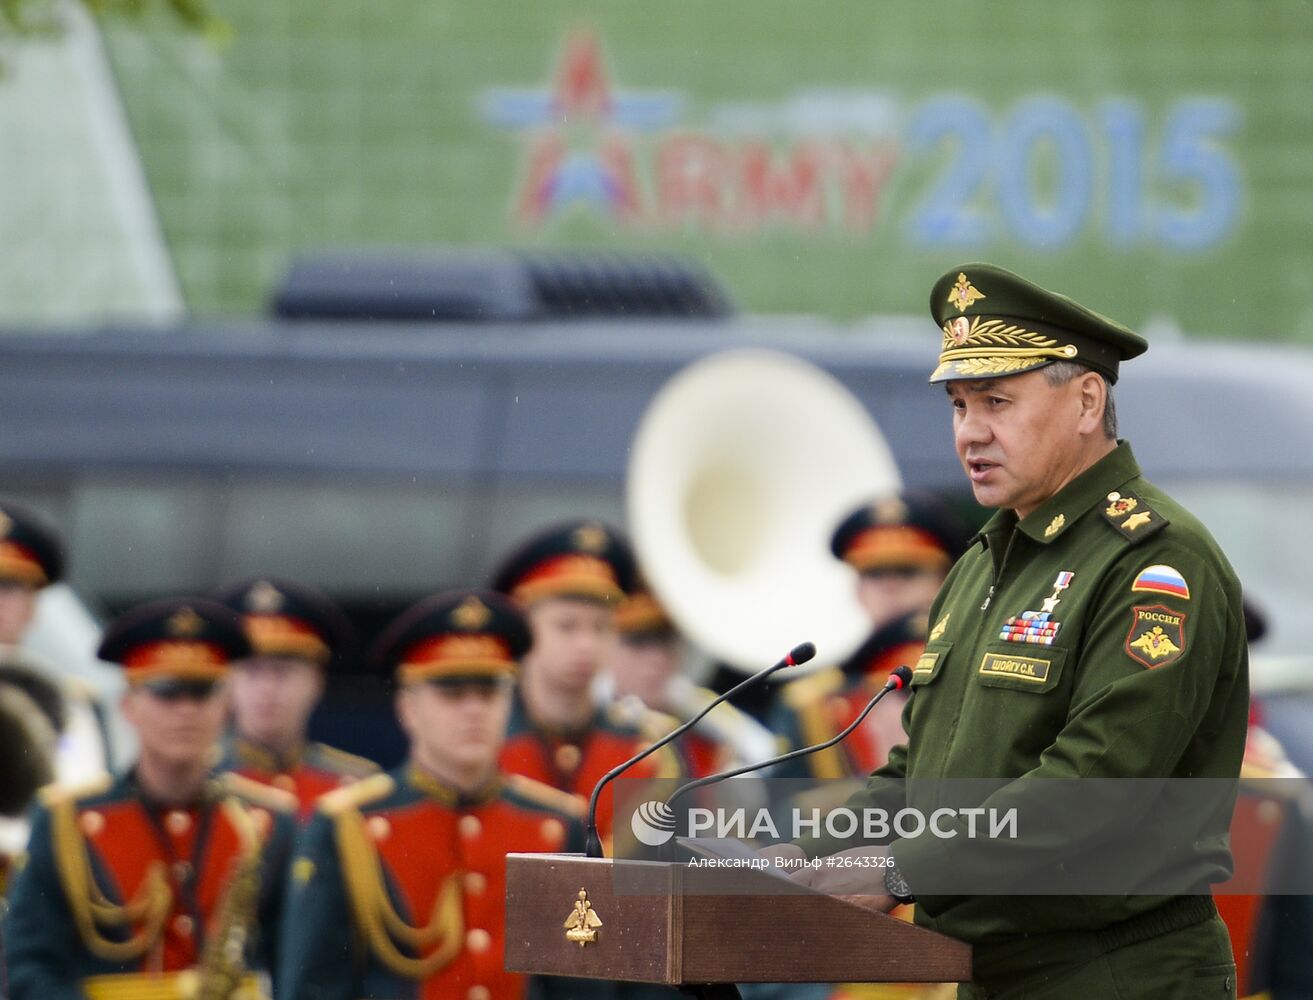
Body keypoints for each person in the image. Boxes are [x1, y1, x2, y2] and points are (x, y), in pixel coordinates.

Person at [765, 263, 1249, 999]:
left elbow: (1093, 786)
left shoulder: (1153, 560)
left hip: (1114, 973)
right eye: (959, 405)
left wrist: (899, 870)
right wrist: (785, 861)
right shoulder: (984, 562)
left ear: (1087, 400)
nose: (970, 432)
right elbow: (918, 776)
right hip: (984, 973)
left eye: (997, 401)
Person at [279, 589, 605, 1000]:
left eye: (488, 693)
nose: (473, 710)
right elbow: (315, 987)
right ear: (409, 708)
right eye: (452, 693)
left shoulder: (556, 823)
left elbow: (582, 986)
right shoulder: (346, 825)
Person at [3, 597, 296, 1000]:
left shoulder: (267, 821)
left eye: (201, 694)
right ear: (128, 706)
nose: (185, 712)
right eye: (166, 693)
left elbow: (299, 966)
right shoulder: (65, 820)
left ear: (225, 706)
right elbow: (29, 966)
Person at [491, 521, 682, 843]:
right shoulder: (486, 744)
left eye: (601, 628)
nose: (587, 645)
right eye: (566, 626)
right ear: (523, 628)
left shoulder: (651, 751)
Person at [770, 494, 969, 783]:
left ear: (943, 579)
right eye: (874, 573)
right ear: (857, 590)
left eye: (907, 571)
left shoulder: (976, 673)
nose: (890, 585)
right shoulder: (812, 704)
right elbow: (784, 816)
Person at [214, 576, 378, 817]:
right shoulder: (201, 782)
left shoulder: (358, 786)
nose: (267, 687)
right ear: (227, 681)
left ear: (316, 681)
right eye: (252, 672)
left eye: (283, 672)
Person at [606, 587, 775, 780]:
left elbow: (763, 750)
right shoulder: (592, 715)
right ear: (608, 648)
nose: (657, 658)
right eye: (638, 643)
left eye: (666, 642)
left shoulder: (700, 710)